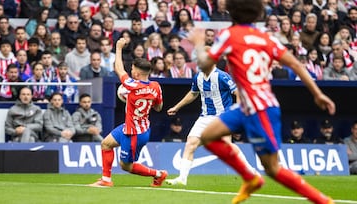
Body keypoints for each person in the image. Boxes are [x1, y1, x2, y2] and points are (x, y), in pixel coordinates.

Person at [188, 0, 335, 203]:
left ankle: (323, 201)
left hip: (260, 109)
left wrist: (197, 42)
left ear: (231, 12)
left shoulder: (229, 35)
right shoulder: (266, 38)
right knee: (207, 136)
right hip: (246, 107)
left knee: (273, 169)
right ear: (258, 14)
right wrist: (317, 94)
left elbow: (205, 63)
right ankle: (250, 177)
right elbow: (296, 64)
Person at [165, 59, 259, 186]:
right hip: (204, 117)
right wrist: (177, 107)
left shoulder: (222, 76)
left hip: (222, 116)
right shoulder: (198, 76)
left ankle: (251, 172)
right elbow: (193, 93)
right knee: (190, 144)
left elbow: (238, 93)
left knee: (227, 146)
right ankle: (182, 178)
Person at [89, 38, 167, 188]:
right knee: (106, 144)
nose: (130, 72)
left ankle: (158, 174)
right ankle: (105, 180)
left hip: (135, 134)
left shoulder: (132, 85)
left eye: (132, 70)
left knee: (126, 166)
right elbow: (158, 107)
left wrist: (118, 47)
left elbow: (119, 69)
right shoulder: (156, 86)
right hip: (132, 126)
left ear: (137, 74)